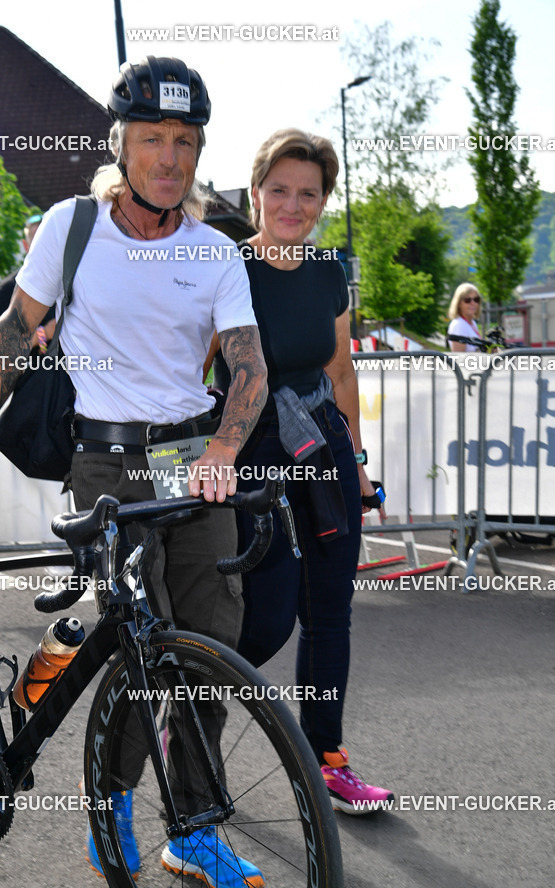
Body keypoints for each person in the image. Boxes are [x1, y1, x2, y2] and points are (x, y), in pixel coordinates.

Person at [0, 56, 268, 888]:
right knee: (138, 641)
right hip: (106, 463)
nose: (170, 157)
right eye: (153, 139)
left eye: (185, 141)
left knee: (209, 651)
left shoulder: (214, 251)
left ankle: (193, 828)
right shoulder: (73, 226)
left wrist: (223, 450)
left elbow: (248, 367)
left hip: (190, 459)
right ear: (122, 144)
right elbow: (16, 327)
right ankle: (113, 805)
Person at [209, 127, 393, 814]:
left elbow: (339, 372)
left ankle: (326, 758)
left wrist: (360, 465)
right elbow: (195, 367)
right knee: (265, 618)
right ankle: (188, 728)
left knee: (329, 611)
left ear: (322, 201)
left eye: (308, 193)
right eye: (279, 190)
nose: (293, 205)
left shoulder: (326, 271)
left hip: (322, 448)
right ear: (256, 193)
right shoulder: (227, 268)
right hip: (250, 452)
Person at [0, 214, 55, 348]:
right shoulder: (7, 289)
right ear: (26, 245)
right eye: (39, 240)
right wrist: (44, 334)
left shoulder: (74, 284)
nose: (46, 245)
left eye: (51, 239)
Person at [446, 283, 483, 352]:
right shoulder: (459, 325)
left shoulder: (472, 323)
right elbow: (459, 356)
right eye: (467, 300)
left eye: (476, 299)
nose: (473, 303)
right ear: (459, 303)